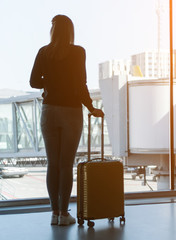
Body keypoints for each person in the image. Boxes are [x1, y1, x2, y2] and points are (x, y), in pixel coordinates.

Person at [30, 15, 104, 226]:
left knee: (52, 165)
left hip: (49, 111)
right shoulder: (78, 52)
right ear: (70, 31)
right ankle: (64, 213)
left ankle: (54, 214)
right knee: (65, 165)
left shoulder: (43, 52)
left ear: (53, 31)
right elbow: (81, 85)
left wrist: (51, 82)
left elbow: (34, 81)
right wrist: (91, 108)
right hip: (71, 112)